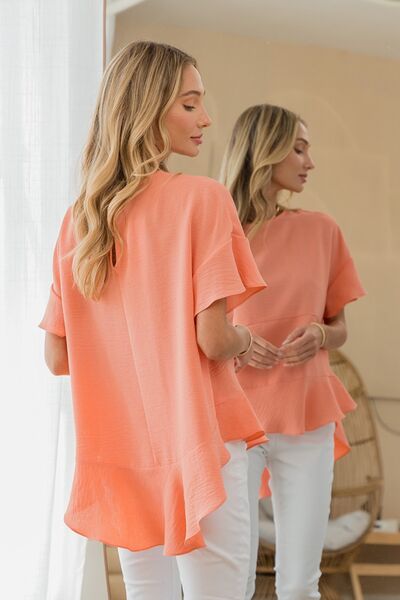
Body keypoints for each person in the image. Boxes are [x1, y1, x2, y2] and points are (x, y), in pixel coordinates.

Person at [39, 42, 270, 600]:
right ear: (147, 109)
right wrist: (245, 339)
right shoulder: (202, 199)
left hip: (125, 457)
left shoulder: (80, 219)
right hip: (199, 439)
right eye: (190, 104)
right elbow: (213, 339)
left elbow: (57, 357)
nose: (206, 118)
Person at [220, 103, 366, 600]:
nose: (310, 162)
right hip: (234, 420)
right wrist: (237, 345)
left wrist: (321, 336)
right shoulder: (216, 231)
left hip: (308, 414)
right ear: (267, 150)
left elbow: (339, 326)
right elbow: (194, 329)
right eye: (299, 149)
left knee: (301, 584)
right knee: (231, 579)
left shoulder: (321, 230)